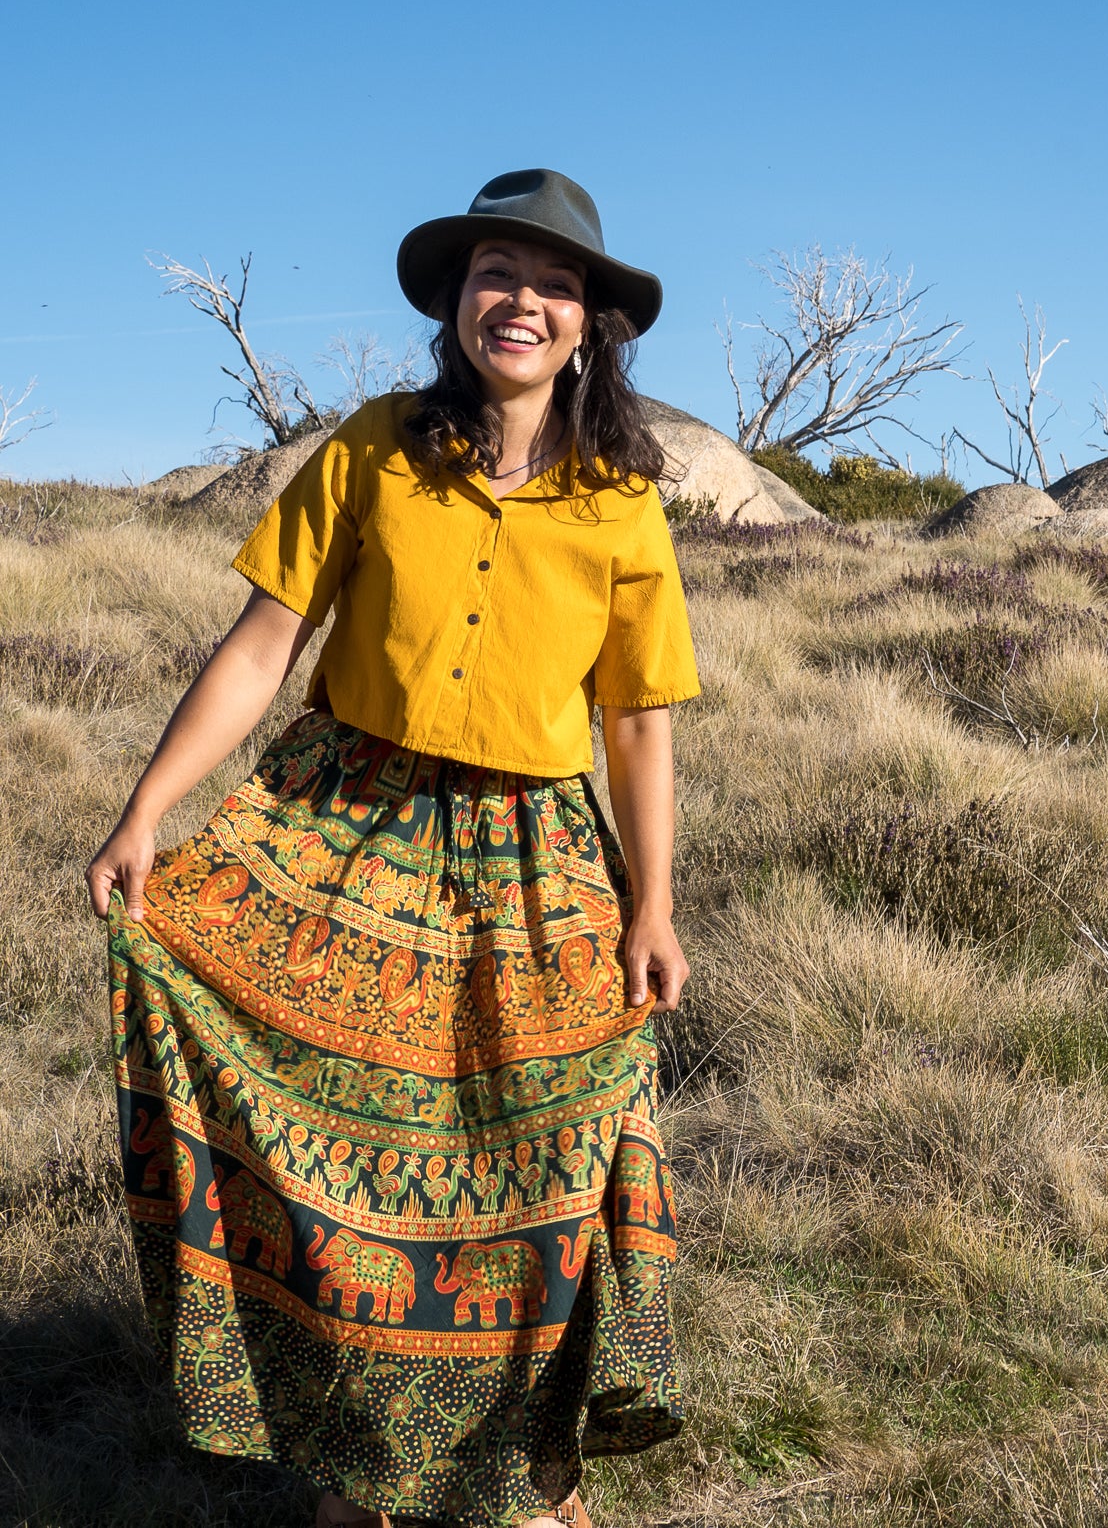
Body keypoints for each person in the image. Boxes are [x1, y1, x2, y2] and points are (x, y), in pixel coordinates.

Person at [87, 169, 701, 1528]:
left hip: (532, 856)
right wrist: (148, 811)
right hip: (343, 825)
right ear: (457, 300)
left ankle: (531, 1474)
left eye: (553, 285)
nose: (522, 302)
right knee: (332, 1149)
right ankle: (353, 1464)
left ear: (589, 322)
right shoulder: (373, 449)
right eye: (497, 273)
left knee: (538, 1160)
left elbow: (637, 722)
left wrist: (652, 903)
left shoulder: (621, 502)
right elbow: (263, 647)